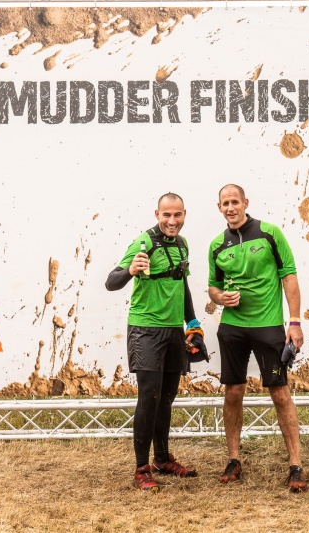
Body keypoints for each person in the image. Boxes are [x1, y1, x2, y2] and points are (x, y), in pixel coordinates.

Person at [207, 184, 308, 493]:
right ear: (219, 207)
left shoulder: (269, 233)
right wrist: (221, 297)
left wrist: (294, 322)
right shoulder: (216, 245)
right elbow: (212, 286)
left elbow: (288, 276)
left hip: (268, 326)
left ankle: (295, 465)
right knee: (233, 392)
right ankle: (233, 460)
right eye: (225, 203)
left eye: (234, 202)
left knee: (280, 393)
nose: (230, 208)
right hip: (232, 328)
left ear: (245, 203)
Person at [105, 193, 206, 492]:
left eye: (177, 215)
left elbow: (182, 284)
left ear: (184, 214)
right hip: (145, 330)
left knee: (167, 397)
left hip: (174, 331)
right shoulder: (143, 242)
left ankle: (162, 459)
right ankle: (141, 469)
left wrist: (193, 323)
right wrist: (130, 271)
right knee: (149, 397)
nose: (172, 221)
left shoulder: (183, 244)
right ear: (157, 214)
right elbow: (111, 282)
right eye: (166, 215)